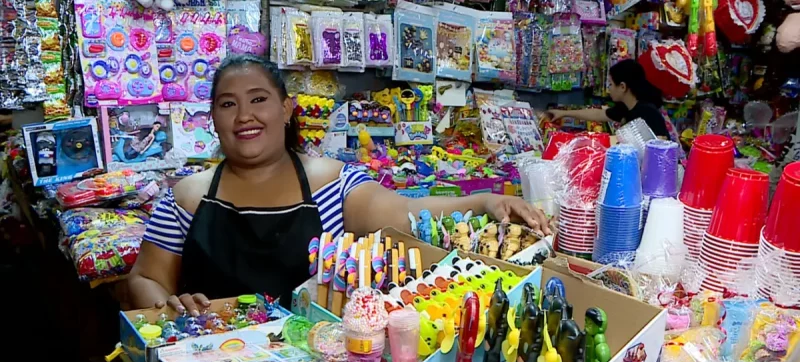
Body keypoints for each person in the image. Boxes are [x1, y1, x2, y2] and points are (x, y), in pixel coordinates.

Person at [129, 55, 551, 315]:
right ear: (214, 118)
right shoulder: (186, 198)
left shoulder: (333, 184)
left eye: (258, 99)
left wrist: (484, 201)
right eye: (228, 104)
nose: (244, 116)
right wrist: (164, 305)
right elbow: (145, 279)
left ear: (287, 109)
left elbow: (406, 213)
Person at [547, 59, 670, 139]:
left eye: (611, 84)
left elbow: (660, 146)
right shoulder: (626, 108)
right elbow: (597, 114)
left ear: (622, 86)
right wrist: (563, 113)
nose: (608, 89)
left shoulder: (648, 112)